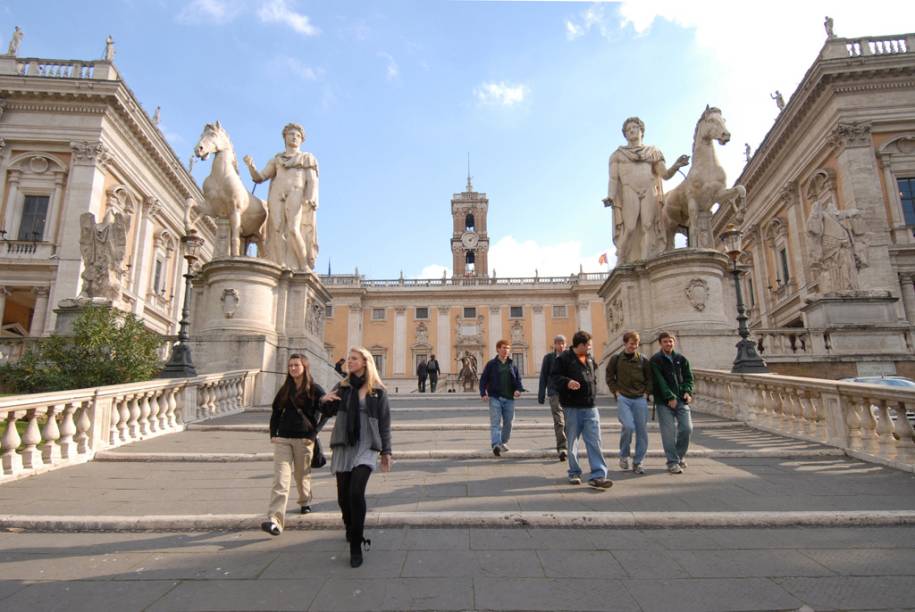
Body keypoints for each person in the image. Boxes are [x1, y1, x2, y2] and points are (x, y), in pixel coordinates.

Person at [319, 347, 393, 568]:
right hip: (344, 444)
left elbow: (384, 423)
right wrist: (324, 400)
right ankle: (349, 525)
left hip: (366, 445)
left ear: (365, 362)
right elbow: (327, 412)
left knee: (355, 492)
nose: (348, 362)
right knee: (343, 497)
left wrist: (386, 451)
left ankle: (356, 545)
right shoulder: (341, 387)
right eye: (348, 359)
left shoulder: (378, 390)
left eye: (353, 359)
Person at [603, 116, 689, 263]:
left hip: (649, 190)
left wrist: (676, 165)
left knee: (648, 226)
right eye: (628, 130)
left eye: (634, 128)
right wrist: (610, 196)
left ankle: (645, 261)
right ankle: (621, 261)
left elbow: (665, 174)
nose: (631, 131)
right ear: (625, 134)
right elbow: (613, 179)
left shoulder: (653, 152)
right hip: (629, 190)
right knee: (629, 227)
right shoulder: (617, 155)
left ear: (641, 131)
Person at [261, 354, 326, 537]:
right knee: (280, 480)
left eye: (296, 365)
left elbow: (327, 412)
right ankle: (275, 520)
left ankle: (305, 501)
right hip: (283, 439)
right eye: (290, 366)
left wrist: (314, 434)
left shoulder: (314, 389)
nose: (293, 368)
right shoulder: (285, 389)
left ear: (305, 367)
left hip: (304, 439)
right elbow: (276, 412)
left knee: (301, 475)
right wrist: (273, 433)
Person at [243, 123, 319, 271]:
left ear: (302, 139)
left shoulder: (307, 158)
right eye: (291, 134)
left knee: (293, 229)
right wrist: (251, 166)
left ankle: (303, 265)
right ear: (284, 137)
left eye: (298, 135)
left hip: (296, 192)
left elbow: (312, 180)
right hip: (276, 194)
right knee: (276, 229)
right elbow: (260, 177)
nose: (294, 137)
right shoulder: (277, 159)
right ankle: (281, 264)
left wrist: (311, 197)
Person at [550, 330, 612, 490]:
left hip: (591, 406)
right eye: (589, 345)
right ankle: (574, 472)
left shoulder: (590, 358)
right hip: (572, 407)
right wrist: (567, 382)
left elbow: (593, 377)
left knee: (595, 441)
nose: (591, 348)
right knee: (572, 442)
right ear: (581, 345)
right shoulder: (563, 359)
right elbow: (554, 378)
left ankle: (598, 475)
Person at [605, 331, 653, 475]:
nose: (634, 346)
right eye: (631, 343)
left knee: (642, 431)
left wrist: (646, 394)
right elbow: (609, 377)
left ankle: (638, 462)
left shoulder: (643, 360)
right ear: (625, 343)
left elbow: (650, 378)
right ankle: (624, 455)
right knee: (628, 426)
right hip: (624, 398)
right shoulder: (616, 359)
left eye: (636, 344)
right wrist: (616, 392)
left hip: (640, 398)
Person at [649, 332, 694, 474]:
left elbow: (688, 377)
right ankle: (672, 462)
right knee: (668, 433)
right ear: (660, 343)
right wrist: (669, 397)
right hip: (664, 402)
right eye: (665, 341)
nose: (668, 344)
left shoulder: (681, 359)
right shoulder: (655, 360)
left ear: (674, 342)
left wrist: (687, 391)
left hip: (681, 400)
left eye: (670, 341)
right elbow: (659, 381)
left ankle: (679, 456)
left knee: (687, 428)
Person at [479, 340, 523, 457]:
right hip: (495, 397)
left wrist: (518, 389)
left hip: (509, 398)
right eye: (504, 348)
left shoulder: (512, 364)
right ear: (498, 349)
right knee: (495, 423)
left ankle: (503, 442)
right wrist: (483, 393)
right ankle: (496, 445)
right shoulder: (491, 364)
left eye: (508, 348)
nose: (506, 350)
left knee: (509, 423)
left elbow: (518, 380)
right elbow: (483, 379)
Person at [538, 334, 568, 461]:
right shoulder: (548, 358)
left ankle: (568, 444)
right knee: (559, 420)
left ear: (565, 344)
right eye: (558, 343)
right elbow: (543, 376)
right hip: (554, 391)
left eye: (562, 343)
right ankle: (562, 447)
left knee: (569, 420)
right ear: (554, 345)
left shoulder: (570, 357)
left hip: (569, 392)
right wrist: (541, 394)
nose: (560, 345)